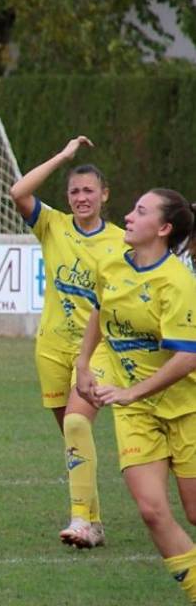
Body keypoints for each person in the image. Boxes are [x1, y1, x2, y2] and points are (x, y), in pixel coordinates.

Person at [75, 188, 196, 603]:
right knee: (151, 511)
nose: (127, 216)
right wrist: (83, 363)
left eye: (140, 212)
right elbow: (98, 309)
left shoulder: (177, 282)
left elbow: (186, 358)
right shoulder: (110, 263)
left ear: (163, 229)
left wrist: (131, 392)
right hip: (136, 412)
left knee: (194, 511)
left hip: (188, 408)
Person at [10, 136, 124, 548]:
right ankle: (92, 523)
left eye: (89, 190)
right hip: (51, 350)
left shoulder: (119, 242)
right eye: (74, 191)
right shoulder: (52, 224)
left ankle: (79, 520)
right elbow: (18, 192)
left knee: (77, 423)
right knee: (73, 436)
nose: (81, 198)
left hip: (96, 352)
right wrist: (63, 157)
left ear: (104, 195)